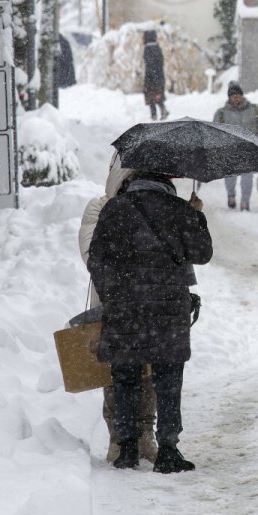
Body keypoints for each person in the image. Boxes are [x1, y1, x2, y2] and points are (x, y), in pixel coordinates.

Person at [86, 171, 212, 473]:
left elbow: (96, 259)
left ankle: (127, 448)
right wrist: (197, 217)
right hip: (168, 313)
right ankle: (168, 449)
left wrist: (113, 293)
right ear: (167, 182)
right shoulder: (180, 210)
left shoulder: (114, 210)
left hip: (125, 309)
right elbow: (202, 253)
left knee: (126, 378)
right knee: (168, 380)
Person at [79, 154, 156, 463]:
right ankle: (118, 437)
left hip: (148, 302)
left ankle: (145, 435)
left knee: (148, 371)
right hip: (113, 302)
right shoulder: (100, 207)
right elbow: (90, 254)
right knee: (114, 373)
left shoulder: (152, 207)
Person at [214, 82, 258, 210]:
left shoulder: (254, 110)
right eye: (233, 95)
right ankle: (231, 196)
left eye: (238, 94)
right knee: (230, 176)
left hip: (249, 149)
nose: (236, 97)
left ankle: (245, 202)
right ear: (229, 97)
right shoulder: (221, 113)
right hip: (229, 150)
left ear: (242, 95)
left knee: (247, 178)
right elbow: (214, 133)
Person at [142, 29, 168, 120]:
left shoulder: (147, 49)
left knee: (150, 96)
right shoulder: (158, 48)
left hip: (150, 77)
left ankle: (154, 115)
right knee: (158, 94)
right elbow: (161, 62)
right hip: (159, 76)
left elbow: (148, 63)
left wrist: (150, 76)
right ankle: (163, 110)